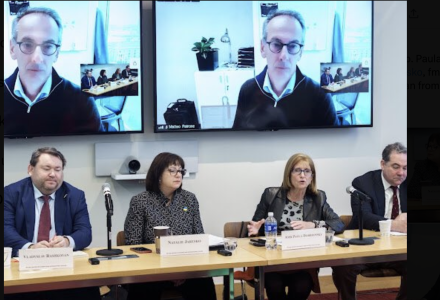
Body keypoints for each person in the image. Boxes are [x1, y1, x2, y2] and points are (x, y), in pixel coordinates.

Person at [4, 147, 100, 300]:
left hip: (63, 269)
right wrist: (30, 247)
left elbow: (85, 232)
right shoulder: (11, 193)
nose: (53, 174)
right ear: (31, 169)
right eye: (46, 168)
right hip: (24, 270)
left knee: (88, 290)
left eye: (58, 169)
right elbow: (5, 230)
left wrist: (67, 241)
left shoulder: (75, 195)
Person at [247, 153, 345, 300]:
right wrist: (255, 230)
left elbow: (338, 224)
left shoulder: (318, 198)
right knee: (274, 287)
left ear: (312, 176)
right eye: (297, 170)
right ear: (289, 174)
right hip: (273, 261)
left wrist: (312, 224)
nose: (302, 175)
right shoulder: (271, 195)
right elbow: (257, 226)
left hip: (302, 262)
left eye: (307, 171)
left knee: (302, 287)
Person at [124, 152, 217, 300]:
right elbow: (133, 244)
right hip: (152, 271)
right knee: (142, 287)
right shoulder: (140, 201)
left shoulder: (189, 199)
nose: (178, 175)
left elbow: (199, 237)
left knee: (204, 282)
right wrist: (166, 272)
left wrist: (182, 271)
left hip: (187, 269)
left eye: (181, 170)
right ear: (158, 174)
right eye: (172, 170)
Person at [233, 10, 339, 130]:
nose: (284, 56)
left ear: (300, 52)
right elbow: (238, 138)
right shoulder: (248, 90)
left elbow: (333, 145)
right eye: (276, 44)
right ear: (263, 48)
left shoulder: (320, 96)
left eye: (293, 45)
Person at [4, 7, 102, 136]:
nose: (37, 59)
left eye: (48, 46)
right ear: (12, 48)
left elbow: (92, 150)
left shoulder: (82, 102)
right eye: (27, 44)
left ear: (57, 53)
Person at [332, 142, 407, 300]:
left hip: (399, 250)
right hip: (365, 248)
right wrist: (395, 224)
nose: (401, 173)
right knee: (343, 267)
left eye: (405, 168)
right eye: (395, 166)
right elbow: (363, 217)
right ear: (382, 164)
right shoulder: (363, 183)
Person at [408, 132, 440, 199]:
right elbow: (411, 191)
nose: (430, 149)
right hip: (426, 206)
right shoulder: (421, 166)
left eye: (435, 147)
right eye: (429, 146)